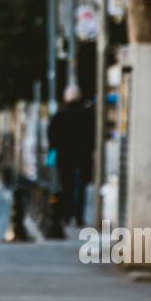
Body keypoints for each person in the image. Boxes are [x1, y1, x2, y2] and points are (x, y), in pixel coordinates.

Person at [48, 85, 95, 228]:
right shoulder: (87, 114)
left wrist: (56, 149)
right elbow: (93, 135)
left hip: (65, 157)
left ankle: (66, 216)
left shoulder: (60, 115)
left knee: (66, 186)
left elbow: (52, 136)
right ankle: (79, 217)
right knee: (80, 187)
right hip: (83, 157)